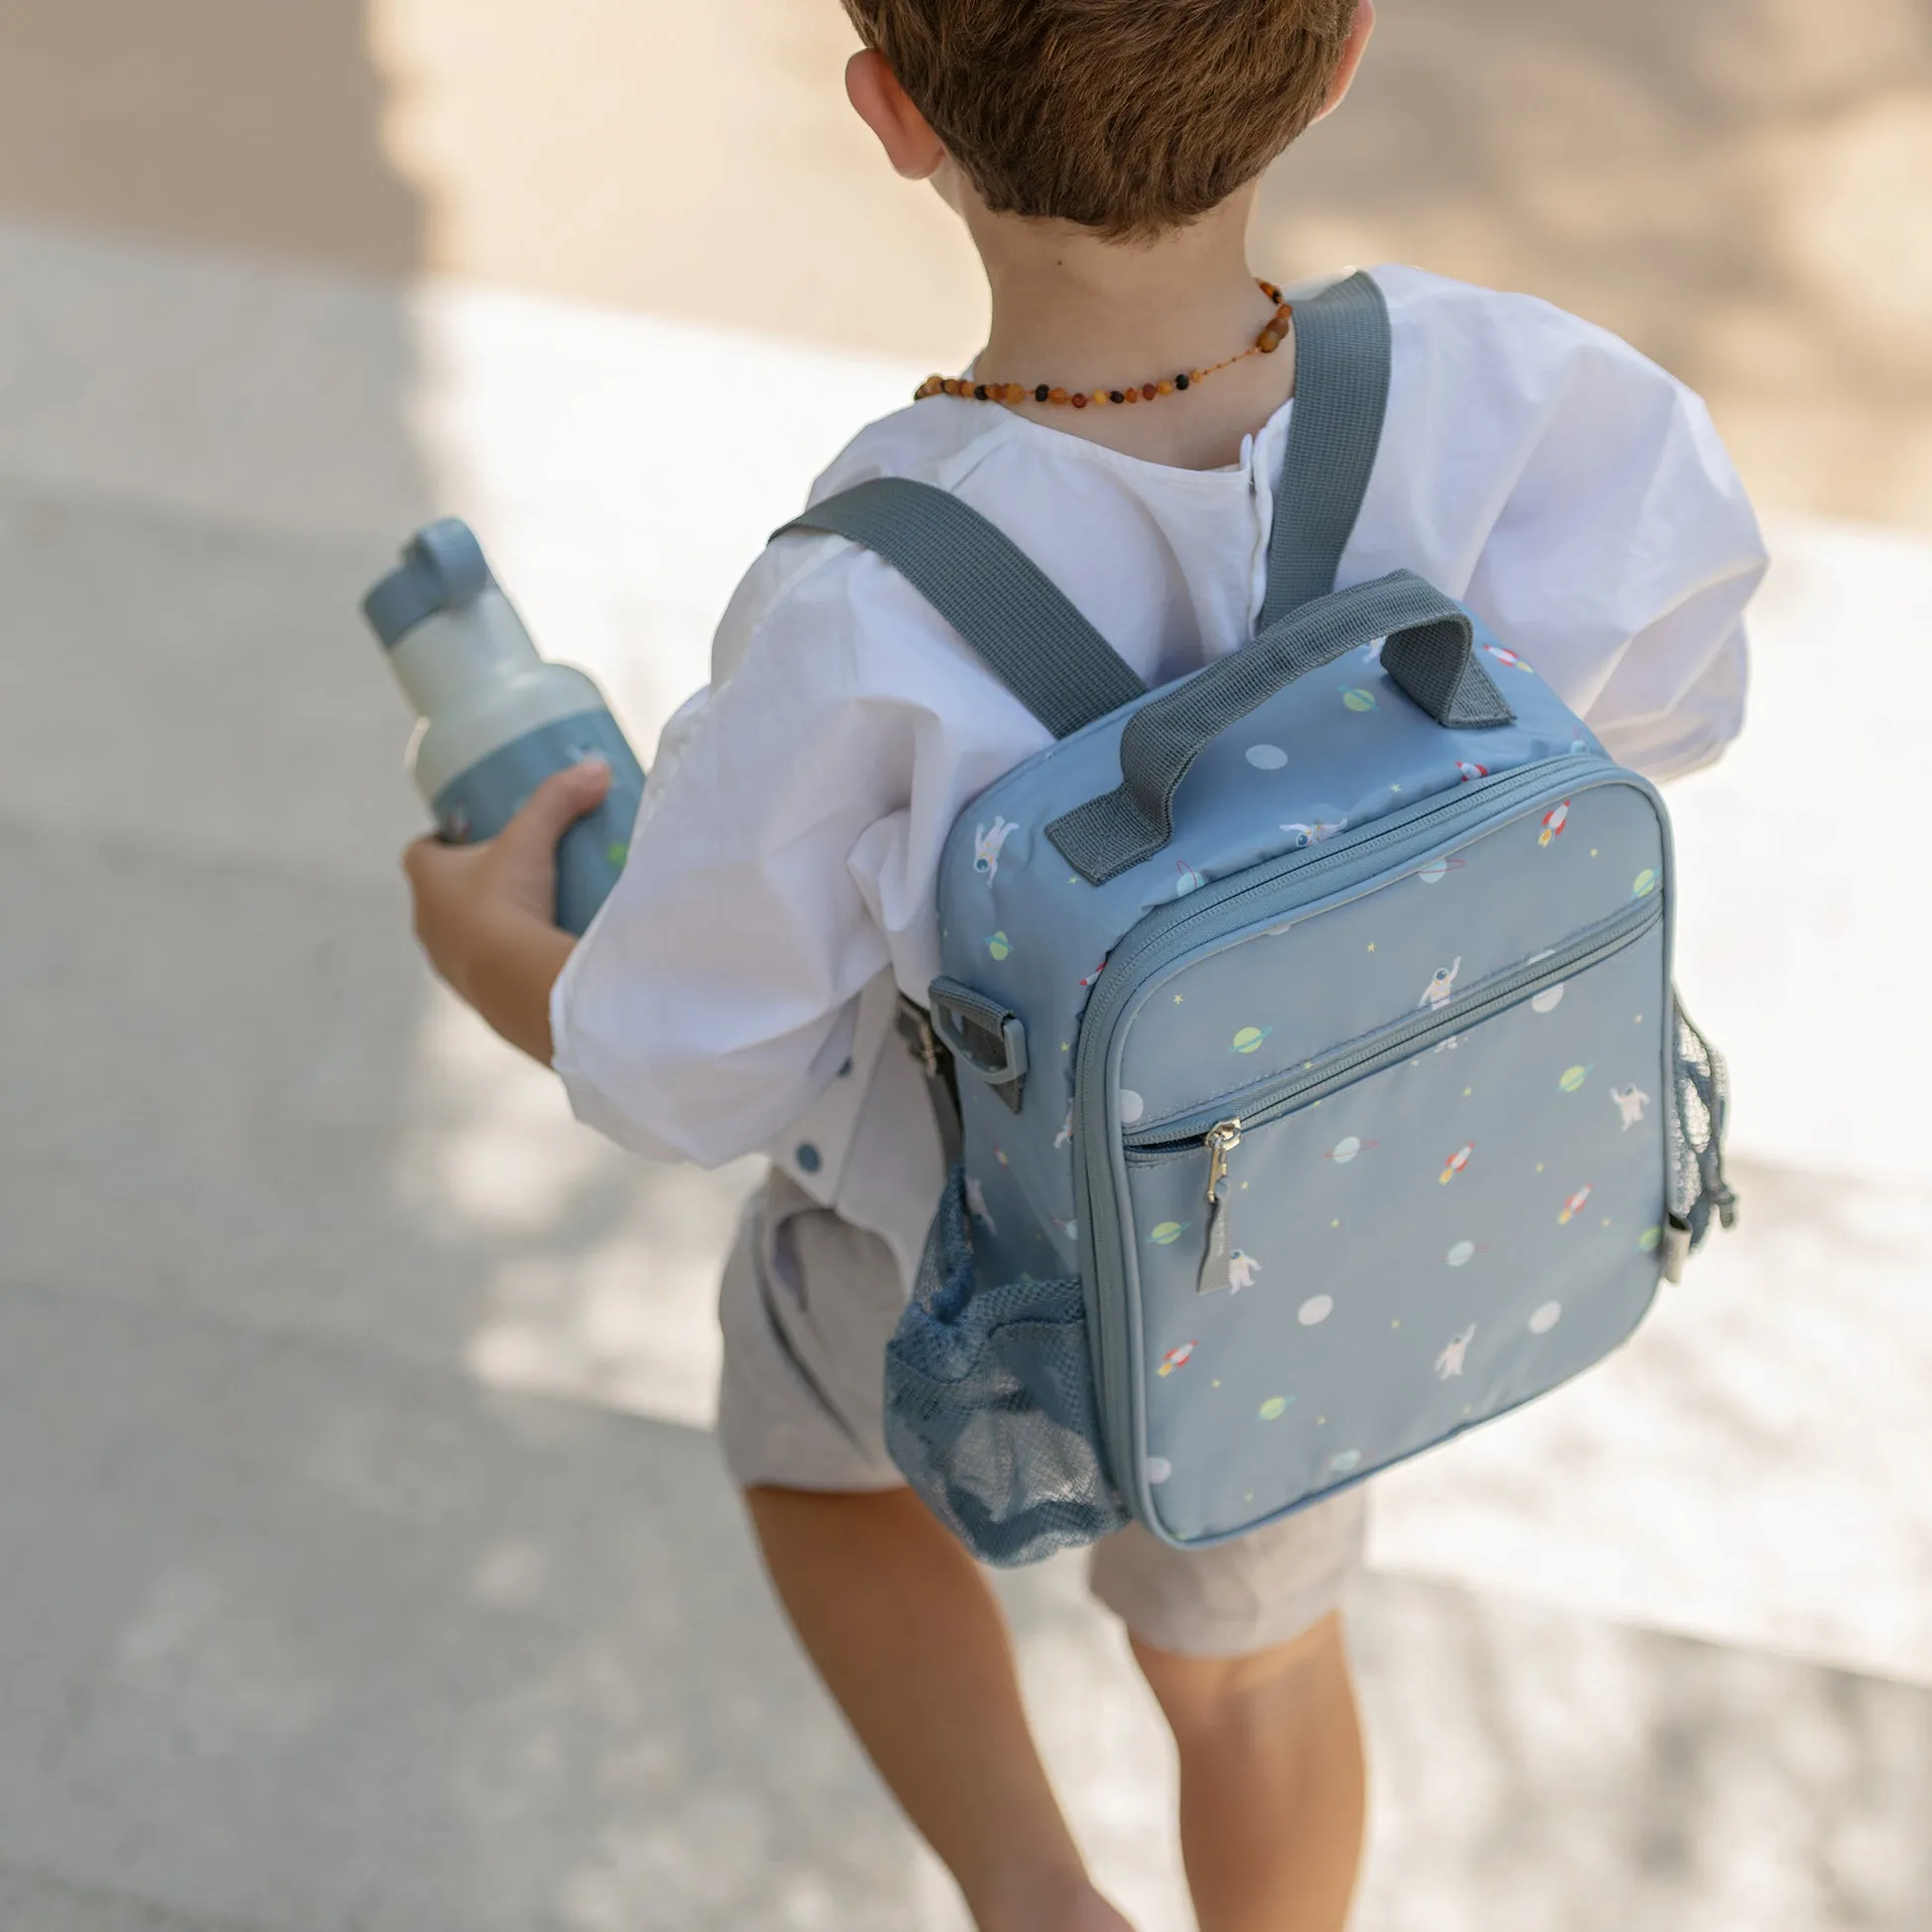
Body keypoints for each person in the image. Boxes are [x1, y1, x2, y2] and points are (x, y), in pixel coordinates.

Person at [400, 3, 1767, 1925]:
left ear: (891, 113)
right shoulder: (1507, 395)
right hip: (1329, 1249)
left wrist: (494, 961)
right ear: (1341, 51)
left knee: (814, 1464)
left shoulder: (869, 596)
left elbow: (692, 1064)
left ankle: (1039, 1899)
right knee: (1265, 1672)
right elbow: (1671, 696)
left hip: (959, 1258)